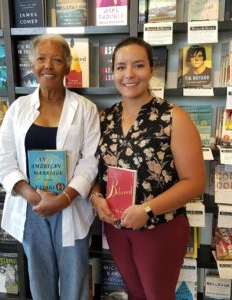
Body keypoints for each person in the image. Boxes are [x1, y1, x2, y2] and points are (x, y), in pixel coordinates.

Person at [89, 37, 205, 300]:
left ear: (151, 70)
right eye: (121, 67)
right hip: (117, 228)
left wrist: (147, 209)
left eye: (138, 65)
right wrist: (96, 197)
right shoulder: (104, 118)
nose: (129, 74)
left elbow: (194, 182)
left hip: (159, 229)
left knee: (157, 296)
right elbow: (96, 171)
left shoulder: (173, 117)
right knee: (135, 293)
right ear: (113, 72)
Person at [0, 33, 100, 300]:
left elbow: (90, 161)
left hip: (71, 206)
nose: (48, 66)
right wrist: (35, 198)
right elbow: (4, 161)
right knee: (40, 284)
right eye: (41, 58)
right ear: (33, 65)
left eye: (56, 59)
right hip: (32, 210)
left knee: (75, 281)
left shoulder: (85, 109)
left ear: (67, 65)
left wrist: (63, 199)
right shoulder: (18, 109)